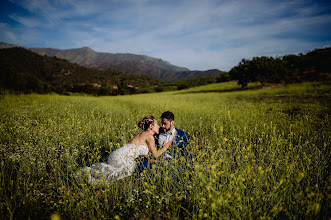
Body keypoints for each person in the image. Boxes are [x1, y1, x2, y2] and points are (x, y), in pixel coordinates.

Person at [73, 116, 172, 185]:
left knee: (109, 173)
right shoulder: (149, 136)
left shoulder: (141, 135)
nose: (159, 126)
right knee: (123, 172)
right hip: (121, 158)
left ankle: (85, 176)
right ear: (151, 126)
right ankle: (89, 181)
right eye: (157, 124)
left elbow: (147, 159)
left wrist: (160, 162)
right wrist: (165, 147)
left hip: (115, 155)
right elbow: (155, 155)